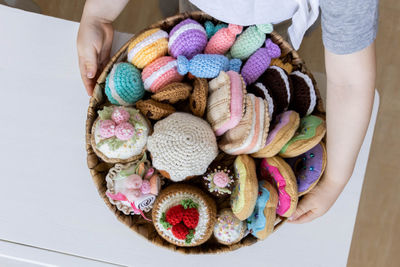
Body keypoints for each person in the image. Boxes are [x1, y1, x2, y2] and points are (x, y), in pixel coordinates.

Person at [77, 0, 378, 223]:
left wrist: (337, 177)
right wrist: (99, 14)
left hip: (278, 16)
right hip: (199, 11)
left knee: (280, 47)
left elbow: (350, 82)